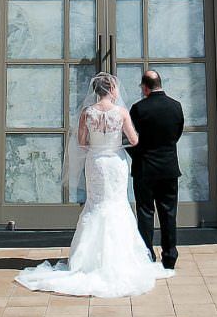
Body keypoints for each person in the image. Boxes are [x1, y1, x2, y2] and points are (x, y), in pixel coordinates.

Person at [15, 71, 174, 298]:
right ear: (111, 89)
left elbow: (81, 141)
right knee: (117, 204)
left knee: (96, 204)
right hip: (115, 162)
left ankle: (86, 260)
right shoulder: (120, 112)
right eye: (116, 87)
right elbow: (135, 140)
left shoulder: (87, 113)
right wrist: (117, 140)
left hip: (95, 162)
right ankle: (121, 258)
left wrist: (97, 141)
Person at [127, 69, 184, 270]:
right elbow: (176, 135)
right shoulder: (176, 107)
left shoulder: (138, 109)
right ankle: (170, 255)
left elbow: (130, 139)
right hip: (169, 168)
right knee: (169, 213)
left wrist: (139, 156)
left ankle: (147, 254)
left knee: (145, 211)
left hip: (145, 168)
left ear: (145, 87)